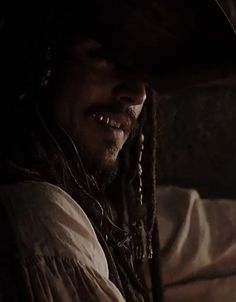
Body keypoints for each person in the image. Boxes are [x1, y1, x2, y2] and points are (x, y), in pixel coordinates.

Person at [1, 1, 236, 302]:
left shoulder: (103, 212)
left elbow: (198, 236)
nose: (137, 93)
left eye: (146, 73)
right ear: (44, 58)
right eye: (107, 58)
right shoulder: (43, 219)